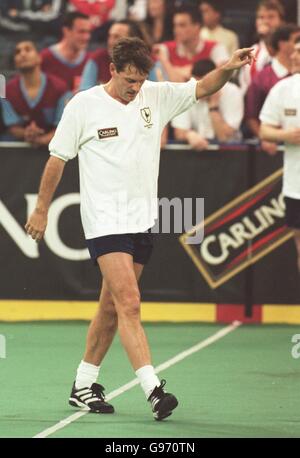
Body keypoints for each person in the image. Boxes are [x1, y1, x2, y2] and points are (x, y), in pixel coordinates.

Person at [25, 37, 254, 420]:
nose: (135, 88)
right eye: (129, 80)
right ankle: (153, 389)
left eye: (140, 80)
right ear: (112, 70)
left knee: (111, 308)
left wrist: (229, 66)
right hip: (104, 221)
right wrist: (41, 210)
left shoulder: (155, 95)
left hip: (143, 220)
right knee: (129, 302)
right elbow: (57, 159)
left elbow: (203, 86)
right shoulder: (83, 105)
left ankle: (83, 384)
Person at [259, 36, 300, 274]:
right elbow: (265, 129)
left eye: (299, 51)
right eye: (293, 50)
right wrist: (286, 135)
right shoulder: (283, 88)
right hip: (296, 185)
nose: (294, 56)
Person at [1, 40, 69, 145]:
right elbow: (12, 127)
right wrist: (27, 133)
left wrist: (44, 140)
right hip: (18, 150)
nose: (22, 54)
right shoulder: (6, 91)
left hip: (55, 148)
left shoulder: (60, 88)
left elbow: (65, 126)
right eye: (17, 52)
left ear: (39, 58)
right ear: (15, 62)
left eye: (28, 49)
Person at [246, 24, 300, 154]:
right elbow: (252, 117)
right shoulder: (276, 85)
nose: (294, 55)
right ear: (282, 44)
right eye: (295, 41)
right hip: (277, 153)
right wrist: (281, 136)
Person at [172, 59, 244, 149]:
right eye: (195, 83)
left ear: (215, 80)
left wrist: (213, 107)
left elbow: (224, 137)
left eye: (203, 84)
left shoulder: (232, 92)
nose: (198, 88)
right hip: (196, 150)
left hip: (228, 151)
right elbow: (179, 132)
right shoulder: (187, 90)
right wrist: (189, 135)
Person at [154, 4, 229, 82]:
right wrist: (198, 73)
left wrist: (175, 70)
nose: (176, 30)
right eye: (175, 25)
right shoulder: (164, 49)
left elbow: (224, 73)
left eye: (182, 25)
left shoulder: (215, 47)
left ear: (197, 27)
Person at [80, 19, 145, 90]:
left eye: (116, 37)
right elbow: (85, 90)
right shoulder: (97, 58)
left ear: (132, 40)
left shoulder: (147, 62)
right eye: (110, 36)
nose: (110, 42)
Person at [239, 0, 285, 96]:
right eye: (261, 17)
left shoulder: (287, 49)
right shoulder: (251, 51)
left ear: (281, 21)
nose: (265, 21)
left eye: (271, 17)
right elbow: (245, 87)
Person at [40, 11, 91, 91]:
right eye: (81, 32)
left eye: (88, 32)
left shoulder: (90, 61)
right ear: (66, 31)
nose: (86, 37)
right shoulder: (45, 58)